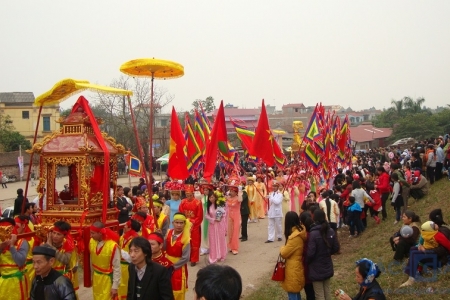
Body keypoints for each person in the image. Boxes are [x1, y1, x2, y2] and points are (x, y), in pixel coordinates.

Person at [305, 209, 340, 300]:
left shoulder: (313, 233)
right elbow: (336, 247)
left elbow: (311, 253)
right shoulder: (330, 230)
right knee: (327, 292)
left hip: (316, 267)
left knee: (319, 294)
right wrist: (327, 253)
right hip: (327, 264)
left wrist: (307, 261)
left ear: (314, 218)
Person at [45, 221, 79, 296]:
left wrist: (51, 247)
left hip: (63, 280)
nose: (55, 236)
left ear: (64, 236)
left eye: (58, 234)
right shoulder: (46, 243)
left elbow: (65, 260)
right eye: (54, 233)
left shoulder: (69, 246)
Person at [89, 221, 121, 300]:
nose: (91, 235)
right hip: (96, 278)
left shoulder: (112, 246)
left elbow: (117, 267)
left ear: (100, 233)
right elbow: (91, 260)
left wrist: (115, 286)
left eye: (93, 233)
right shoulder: (91, 242)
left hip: (107, 280)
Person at [0, 217, 29, 300]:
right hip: (3, 280)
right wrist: (1, 248)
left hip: (18, 280)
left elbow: (20, 261)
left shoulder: (22, 242)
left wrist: (12, 246)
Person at [280, 211, 307, 300]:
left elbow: (284, 253)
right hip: (296, 265)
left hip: (293, 268)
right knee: (295, 292)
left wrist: (281, 248)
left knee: (293, 292)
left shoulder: (294, 237)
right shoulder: (299, 232)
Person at [165, 212, 191, 300]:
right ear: (173, 223)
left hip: (178, 267)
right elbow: (164, 247)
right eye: (177, 222)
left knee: (177, 291)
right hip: (166, 263)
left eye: (181, 223)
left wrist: (173, 267)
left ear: (184, 224)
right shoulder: (169, 232)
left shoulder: (186, 238)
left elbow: (186, 258)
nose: (179, 225)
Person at [178, 184, 203, 266]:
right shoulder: (183, 202)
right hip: (185, 225)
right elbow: (180, 214)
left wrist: (192, 222)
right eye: (187, 195)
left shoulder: (197, 203)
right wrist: (183, 222)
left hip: (194, 226)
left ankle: (194, 259)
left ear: (193, 194)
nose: (188, 196)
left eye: (190, 195)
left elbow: (199, 216)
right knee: (185, 242)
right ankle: (187, 256)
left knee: (194, 243)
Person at [118, 219, 141, 299]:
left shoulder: (134, 240)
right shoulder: (123, 237)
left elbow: (133, 257)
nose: (124, 226)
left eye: (126, 225)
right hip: (120, 266)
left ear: (130, 228)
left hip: (129, 266)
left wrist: (118, 251)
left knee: (127, 286)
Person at [204, 191, 228, 263]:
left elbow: (224, 213)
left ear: (215, 197)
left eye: (213, 197)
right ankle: (213, 256)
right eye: (210, 197)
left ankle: (222, 255)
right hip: (212, 225)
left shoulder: (220, 205)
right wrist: (213, 219)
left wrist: (220, 217)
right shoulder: (209, 206)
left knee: (221, 239)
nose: (211, 199)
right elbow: (206, 216)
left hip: (220, 225)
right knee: (213, 241)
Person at [226, 183, 242, 255]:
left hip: (236, 216)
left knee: (235, 232)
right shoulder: (228, 198)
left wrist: (240, 191)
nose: (231, 192)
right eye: (230, 191)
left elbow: (240, 199)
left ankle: (235, 248)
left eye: (232, 191)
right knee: (230, 232)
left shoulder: (238, 198)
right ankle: (230, 246)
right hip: (229, 216)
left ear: (236, 192)